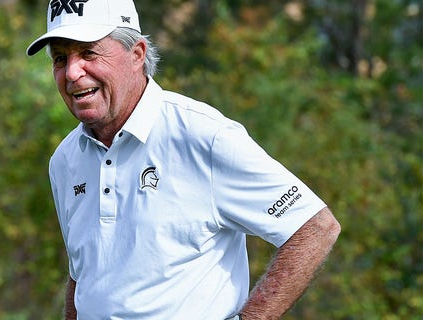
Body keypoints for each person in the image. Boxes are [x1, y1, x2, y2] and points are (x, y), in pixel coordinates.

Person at [27, 0, 341, 319]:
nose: (72, 72)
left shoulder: (203, 136)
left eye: (89, 54)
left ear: (136, 55)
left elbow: (314, 226)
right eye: (61, 59)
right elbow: (82, 276)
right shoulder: (65, 160)